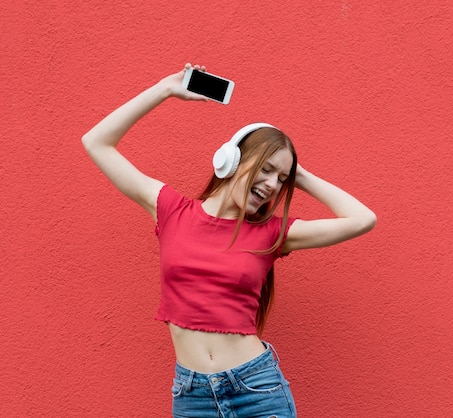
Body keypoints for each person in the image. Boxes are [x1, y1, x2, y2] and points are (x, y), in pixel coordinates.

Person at [82, 63, 376, 418]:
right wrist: (164, 89)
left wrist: (300, 175)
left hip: (257, 390)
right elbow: (97, 142)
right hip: (192, 396)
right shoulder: (171, 210)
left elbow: (362, 220)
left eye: (280, 179)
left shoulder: (272, 233)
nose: (271, 184)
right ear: (231, 161)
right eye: (265, 169)